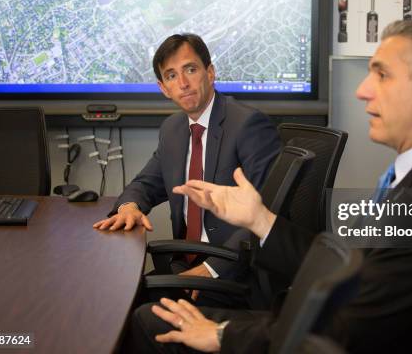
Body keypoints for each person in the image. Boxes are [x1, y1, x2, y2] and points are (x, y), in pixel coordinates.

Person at [128, 19, 412, 353]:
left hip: (326, 338)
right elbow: (348, 267)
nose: (362, 90)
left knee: (145, 321)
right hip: (320, 321)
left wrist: (222, 334)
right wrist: (260, 220)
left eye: (382, 75)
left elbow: (353, 329)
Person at [93, 33, 280, 301]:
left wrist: (210, 270)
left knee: (133, 311)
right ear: (163, 88)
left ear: (210, 73)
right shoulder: (173, 129)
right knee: (114, 297)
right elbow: (146, 184)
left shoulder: (248, 125)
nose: (182, 83)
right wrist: (129, 207)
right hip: (185, 263)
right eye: (171, 76)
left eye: (190, 70)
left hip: (233, 273)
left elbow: (266, 214)